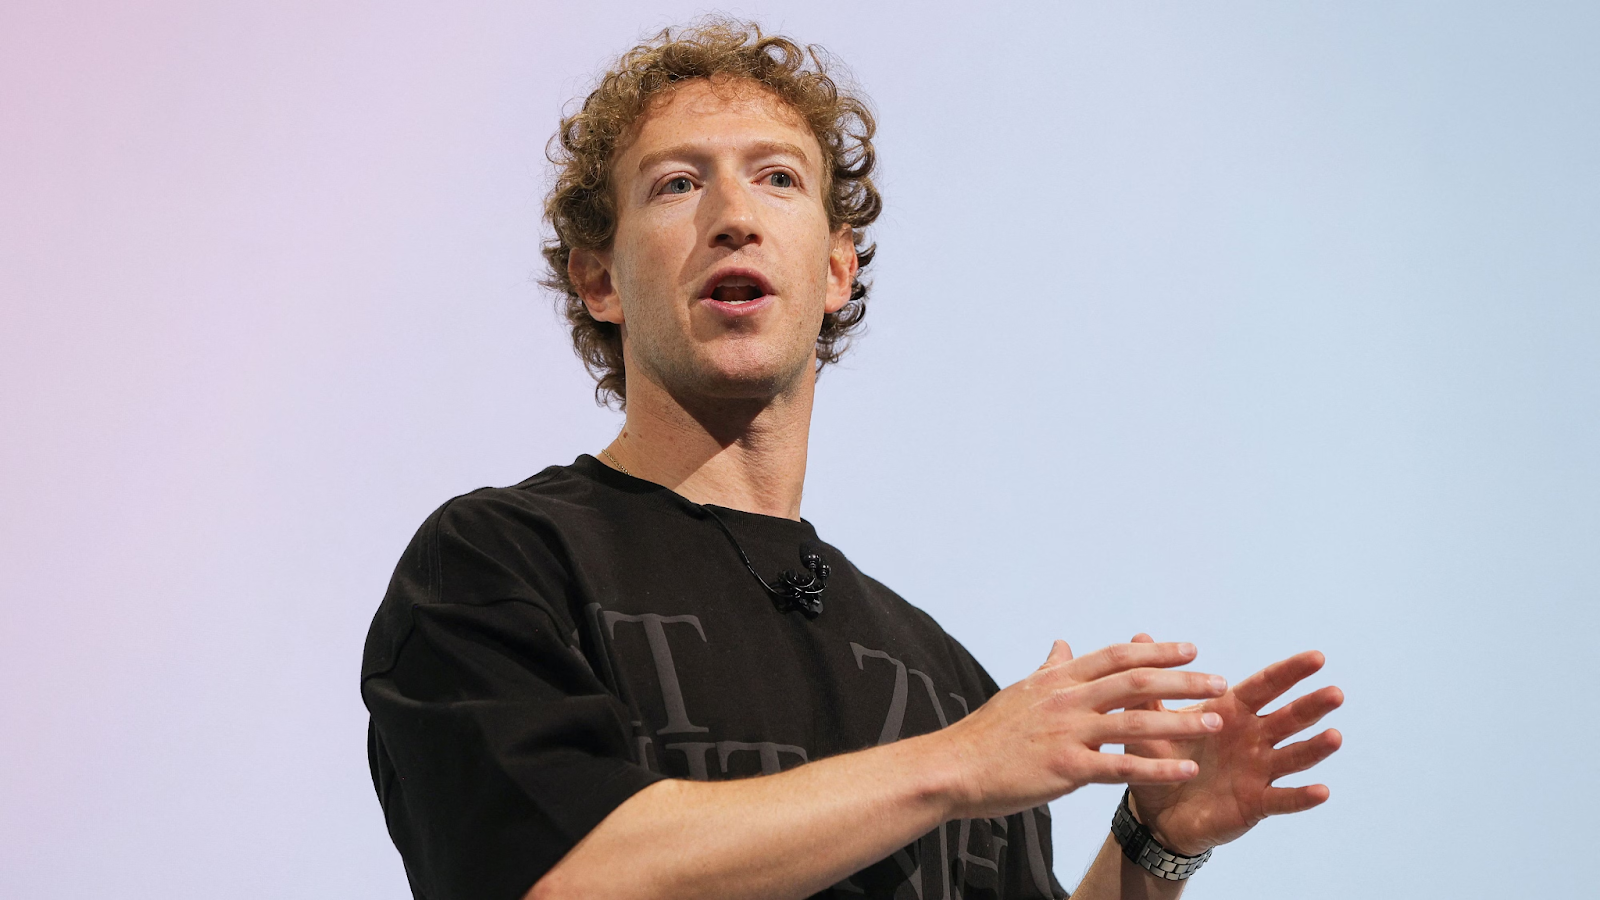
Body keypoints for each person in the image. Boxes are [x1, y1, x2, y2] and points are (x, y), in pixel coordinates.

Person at [360, 19, 1345, 900]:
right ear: (599, 280)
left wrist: (1151, 848)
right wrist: (956, 766)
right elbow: (562, 877)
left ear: (836, 270)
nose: (733, 215)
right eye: (677, 184)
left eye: (777, 178)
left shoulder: (942, 677)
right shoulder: (499, 563)